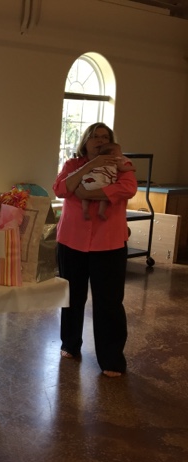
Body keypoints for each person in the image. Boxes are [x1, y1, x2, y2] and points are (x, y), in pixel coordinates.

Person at [53, 123, 137, 377]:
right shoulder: (72, 164)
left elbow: (128, 188)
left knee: (109, 302)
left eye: (104, 137)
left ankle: (111, 359)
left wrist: (91, 193)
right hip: (72, 240)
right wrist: (90, 167)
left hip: (109, 242)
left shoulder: (121, 164)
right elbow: (61, 189)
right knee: (71, 296)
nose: (99, 140)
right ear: (85, 142)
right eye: (94, 137)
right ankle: (70, 344)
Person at [72, 142, 136, 220]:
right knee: (104, 198)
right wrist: (132, 168)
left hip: (91, 181)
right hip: (103, 182)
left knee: (85, 198)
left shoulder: (96, 160)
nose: (121, 154)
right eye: (120, 151)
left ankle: (85, 211)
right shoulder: (116, 159)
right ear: (113, 153)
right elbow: (122, 168)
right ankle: (101, 211)